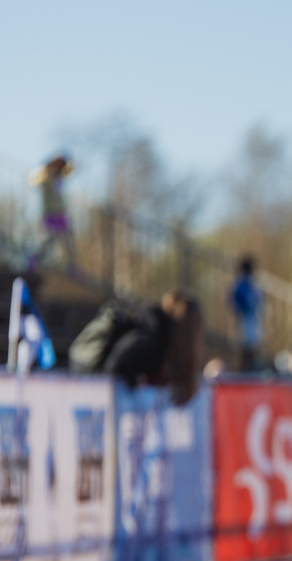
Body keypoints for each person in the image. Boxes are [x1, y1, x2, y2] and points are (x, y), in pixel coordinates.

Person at [69, 289, 204, 405]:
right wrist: (136, 382)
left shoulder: (159, 338)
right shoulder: (150, 337)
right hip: (94, 387)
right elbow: (114, 365)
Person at [27, 155, 76, 274]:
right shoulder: (46, 175)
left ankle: (71, 267)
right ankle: (34, 261)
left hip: (60, 213)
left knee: (68, 240)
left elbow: (70, 170)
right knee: (49, 240)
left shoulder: (59, 177)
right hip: (50, 213)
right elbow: (32, 180)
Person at [228, 255, 263, 372]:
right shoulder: (242, 284)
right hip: (245, 317)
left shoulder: (250, 283)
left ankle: (249, 367)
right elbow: (236, 300)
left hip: (251, 317)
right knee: (245, 345)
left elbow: (257, 300)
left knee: (252, 344)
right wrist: (238, 313)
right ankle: (244, 369)